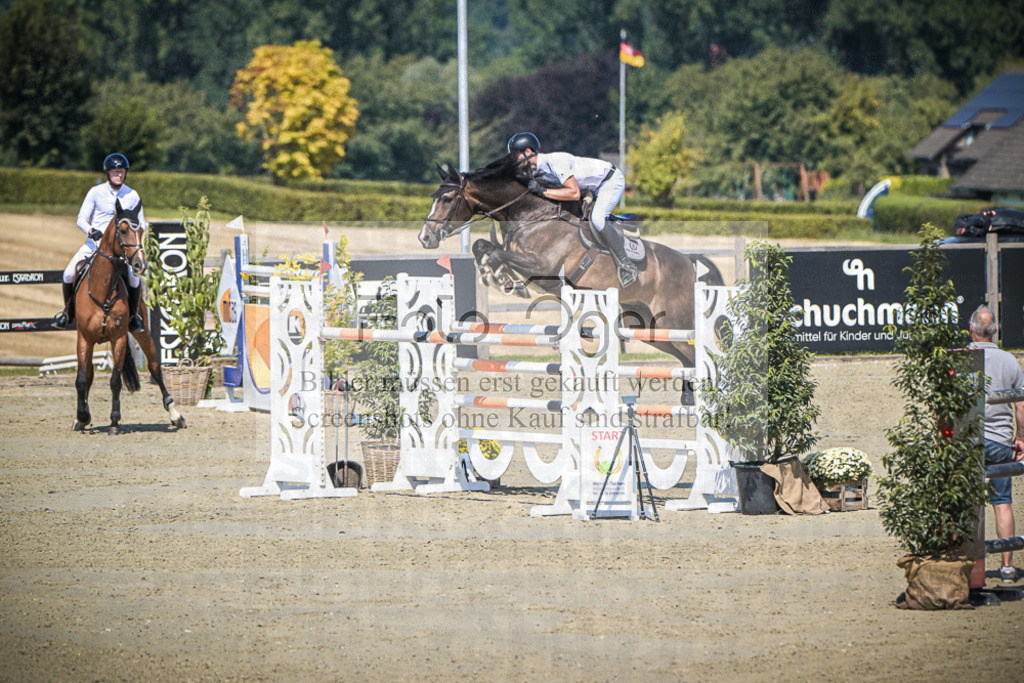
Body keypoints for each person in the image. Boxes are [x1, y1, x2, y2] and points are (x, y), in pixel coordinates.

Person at [506, 132, 638, 287]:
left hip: (609, 181)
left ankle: (626, 265)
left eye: (516, 156)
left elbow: (574, 194)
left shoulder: (555, 162)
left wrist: (543, 191)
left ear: (528, 152)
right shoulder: (536, 171)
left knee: (597, 219)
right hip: (591, 188)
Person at [53, 153, 146, 333]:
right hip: (93, 246)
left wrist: (134, 238)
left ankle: (133, 318)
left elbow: (142, 223)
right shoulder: (96, 192)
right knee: (68, 274)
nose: (119, 175)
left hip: (120, 250)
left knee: (134, 278)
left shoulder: (132, 195)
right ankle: (67, 312)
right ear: (108, 173)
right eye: (115, 172)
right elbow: (81, 219)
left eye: (122, 171)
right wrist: (91, 231)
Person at [969, 306, 1024, 582]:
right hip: (1001, 441)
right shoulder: (1010, 361)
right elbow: (1021, 406)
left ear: (970, 330)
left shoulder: (962, 358)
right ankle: (1007, 567)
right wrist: (1021, 437)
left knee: (968, 503)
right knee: (1002, 503)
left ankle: (969, 566)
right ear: (996, 331)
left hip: (969, 440)